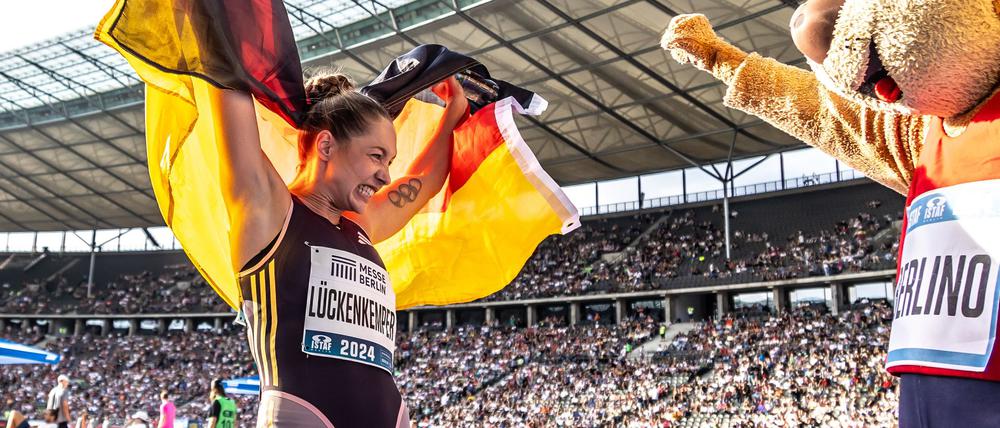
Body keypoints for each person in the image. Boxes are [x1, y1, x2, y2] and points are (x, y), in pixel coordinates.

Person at [210, 66, 466, 427]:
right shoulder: (269, 211)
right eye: (376, 156)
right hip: (304, 415)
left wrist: (455, 108)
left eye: (389, 161)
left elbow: (425, 181)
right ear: (327, 145)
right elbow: (225, 80)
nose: (386, 176)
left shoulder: (361, 225)